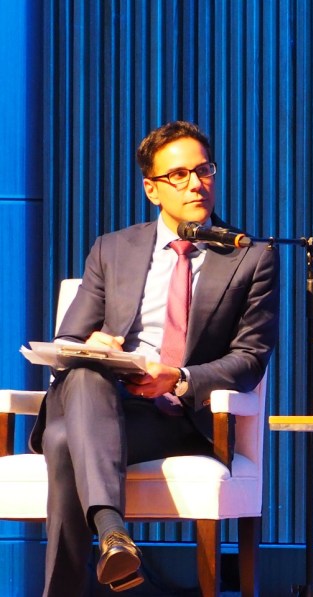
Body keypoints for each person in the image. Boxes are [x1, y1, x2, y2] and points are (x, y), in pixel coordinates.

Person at [28, 121, 279, 595]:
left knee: (62, 441)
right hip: (106, 398)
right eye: (179, 175)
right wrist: (97, 346)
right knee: (84, 372)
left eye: (204, 170)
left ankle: (106, 543)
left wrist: (179, 377)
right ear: (152, 189)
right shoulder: (112, 248)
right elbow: (68, 339)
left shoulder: (249, 257)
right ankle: (114, 535)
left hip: (174, 417)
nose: (195, 184)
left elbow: (250, 359)